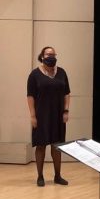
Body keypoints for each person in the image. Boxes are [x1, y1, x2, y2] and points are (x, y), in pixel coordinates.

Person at [27, 46, 70, 187]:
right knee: (41, 145)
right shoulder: (34, 75)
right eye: (48, 54)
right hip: (41, 114)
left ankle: (58, 175)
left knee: (57, 146)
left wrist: (66, 111)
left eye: (53, 54)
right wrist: (33, 116)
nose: (51, 56)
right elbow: (30, 96)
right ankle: (40, 176)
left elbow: (67, 93)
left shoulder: (62, 72)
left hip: (58, 114)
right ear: (42, 56)